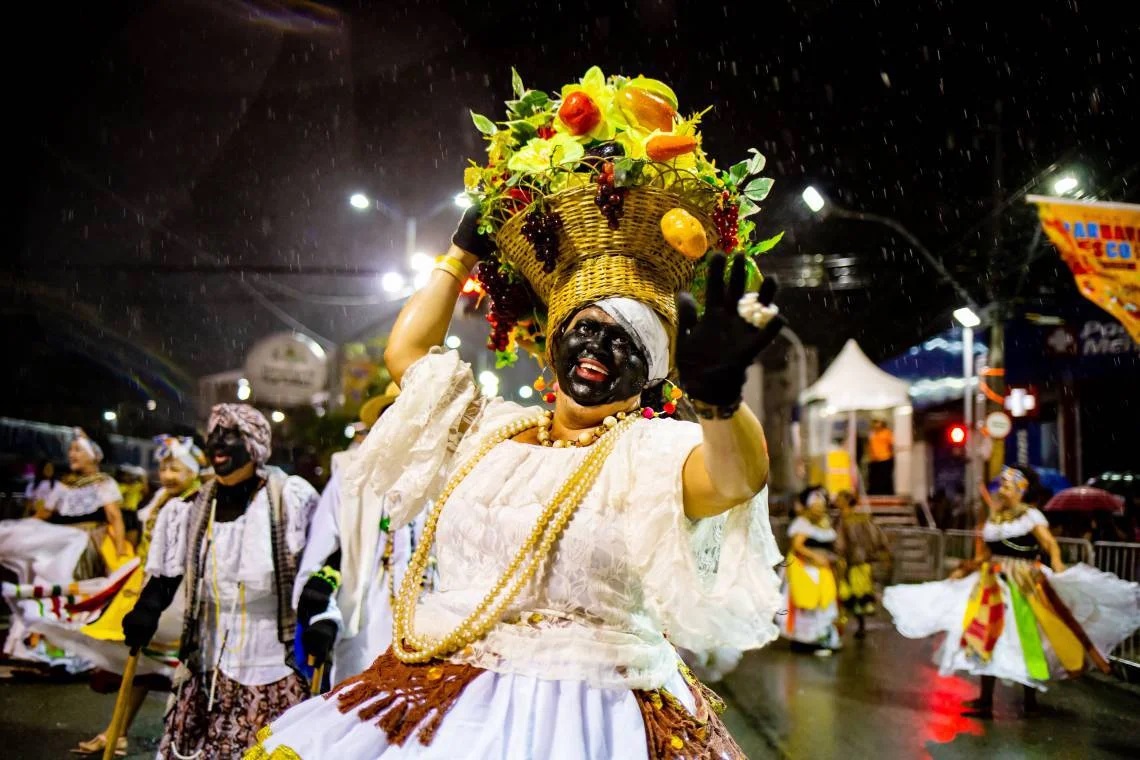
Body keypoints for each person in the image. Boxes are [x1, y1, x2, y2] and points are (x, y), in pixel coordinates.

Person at [248, 67, 786, 759]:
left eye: (626, 342)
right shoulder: (490, 430)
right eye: (586, 329)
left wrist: (719, 400)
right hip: (449, 691)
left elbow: (739, 479)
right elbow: (407, 352)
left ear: (652, 373)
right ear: (554, 340)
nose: (598, 349)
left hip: (599, 714)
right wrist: (458, 253)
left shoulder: (650, 454)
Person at [121, 404, 319, 759]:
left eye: (230, 435)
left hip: (271, 659)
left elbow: (318, 562)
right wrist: (146, 609)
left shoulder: (288, 499)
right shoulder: (189, 509)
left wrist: (320, 612)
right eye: (213, 435)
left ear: (254, 445)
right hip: (205, 656)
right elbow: (167, 575)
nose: (218, 444)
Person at [883, 466, 1140, 718]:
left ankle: (1030, 699)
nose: (1002, 490)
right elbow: (985, 555)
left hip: (1023, 582)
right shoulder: (994, 519)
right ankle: (985, 700)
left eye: (1007, 486)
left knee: (1025, 637)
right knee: (986, 636)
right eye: (1001, 485)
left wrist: (1059, 568)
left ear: (1020, 490)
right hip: (991, 584)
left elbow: (1049, 544)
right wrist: (965, 569)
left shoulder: (1031, 516)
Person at [61, 436, 206, 757]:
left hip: (180, 595)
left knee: (173, 671)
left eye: (176, 468)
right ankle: (119, 732)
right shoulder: (161, 499)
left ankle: (183, 740)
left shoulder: (199, 500)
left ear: (193, 471)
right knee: (140, 664)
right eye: (164, 468)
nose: (167, 475)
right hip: (149, 588)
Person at [293, 382, 420, 685]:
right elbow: (323, 555)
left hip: (431, 634)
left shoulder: (447, 476)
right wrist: (322, 617)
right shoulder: (351, 477)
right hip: (362, 632)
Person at [0, 428, 131, 668]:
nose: (72, 454)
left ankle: (75, 648)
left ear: (94, 455)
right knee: (48, 586)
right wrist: (22, 530)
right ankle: (40, 643)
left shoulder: (103, 483)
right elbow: (43, 515)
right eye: (71, 450)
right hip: (63, 541)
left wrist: (120, 551)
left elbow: (115, 517)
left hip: (90, 543)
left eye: (78, 450)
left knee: (75, 591)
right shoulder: (63, 485)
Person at [780, 487, 842, 655]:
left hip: (822, 572)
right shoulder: (802, 523)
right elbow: (797, 545)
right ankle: (805, 641)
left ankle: (820, 638)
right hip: (806, 570)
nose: (819, 509)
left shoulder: (825, 524)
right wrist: (815, 556)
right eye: (815, 505)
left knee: (824, 605)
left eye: (821, 505)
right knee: (807, 606)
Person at [835, 489, 891, 639]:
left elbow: (874, 537)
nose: (836, 501)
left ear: (847, 501)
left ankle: (858, 625)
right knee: (852, 593)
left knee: (856, 594)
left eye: (839, 498)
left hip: (857, 562)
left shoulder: (855, 519)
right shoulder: (843, 518)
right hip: (853, 562)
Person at [866, 415, 894, 495]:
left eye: (877, 422)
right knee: (874, 477)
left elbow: (891, 444)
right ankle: (874, 491)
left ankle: (886, 492)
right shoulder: (872, 433)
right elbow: (869, 445)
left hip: (885, 458)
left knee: (885, 477)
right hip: (874, 459)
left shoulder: (887, 433)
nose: (875, 424)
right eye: (874, 422)